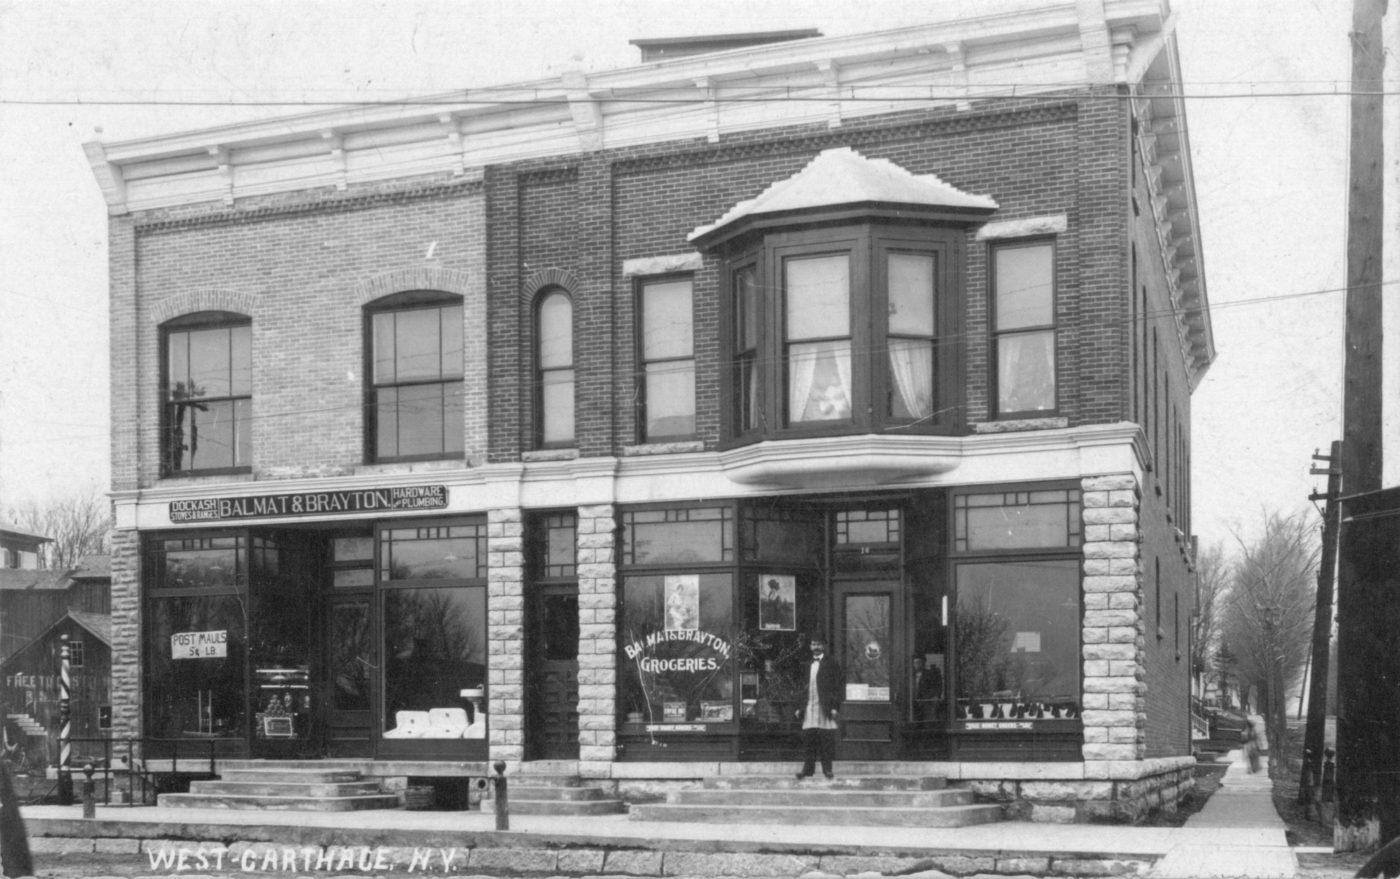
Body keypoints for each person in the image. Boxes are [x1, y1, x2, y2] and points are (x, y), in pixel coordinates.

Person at [794, 638, 842, 780]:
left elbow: (838, 687)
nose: (816, 647)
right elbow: (802, 688)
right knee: (809, 740)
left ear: (824, 646)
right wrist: (799, 707)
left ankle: (827, 770)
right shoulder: (807, 664)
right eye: (814, 644)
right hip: (809, 707)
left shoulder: (831, 663)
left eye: (819, 644)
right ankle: (807, 770)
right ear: (810, 646)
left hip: (824, 707)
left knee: (825, 741)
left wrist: (834, 707)